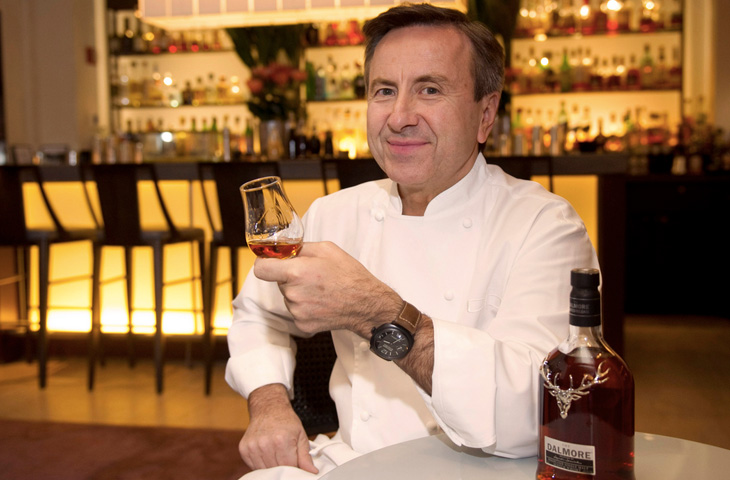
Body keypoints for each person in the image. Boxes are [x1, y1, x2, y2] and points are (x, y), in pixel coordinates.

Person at [225, 3, 599, 479]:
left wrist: (378, 313)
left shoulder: (544, 226)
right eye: (384, 90)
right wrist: (268, 403)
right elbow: (257, 312)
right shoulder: (334, 214)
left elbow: (539, 409)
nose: (399, 117)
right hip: (354, 463)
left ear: (486, 114)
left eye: (430, 89)